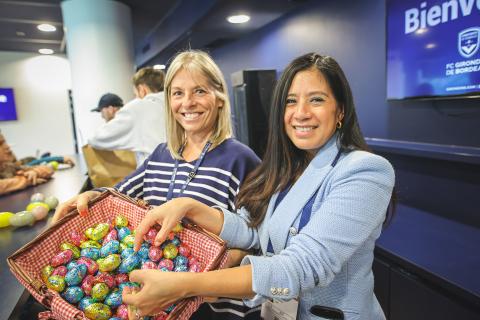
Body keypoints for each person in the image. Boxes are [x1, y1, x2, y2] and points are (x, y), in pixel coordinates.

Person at [122, 53, 396, 320]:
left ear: (341, 110)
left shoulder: (365, 170)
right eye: (290, 101)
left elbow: (301, 267)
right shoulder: (287, 168)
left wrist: (188, 284)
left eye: (316, 100)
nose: (300, 113)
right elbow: (252, 228)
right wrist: (190, 208)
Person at [52, 50, 262, 319]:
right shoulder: (162, 154)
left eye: (199, 91)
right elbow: (118, 193)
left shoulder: (242, 160)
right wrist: (89, 195)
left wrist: (228, 263)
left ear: (219, 97)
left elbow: (259, 240)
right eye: (177, 93)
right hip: (158, 307)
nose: (188, 102)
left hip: (214, 308)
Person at [88, 67, 167, 166]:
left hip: (156, 175)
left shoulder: (139, 107)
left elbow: (97, 138)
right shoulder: (176, 104)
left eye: (135, 94)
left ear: (142, 89)